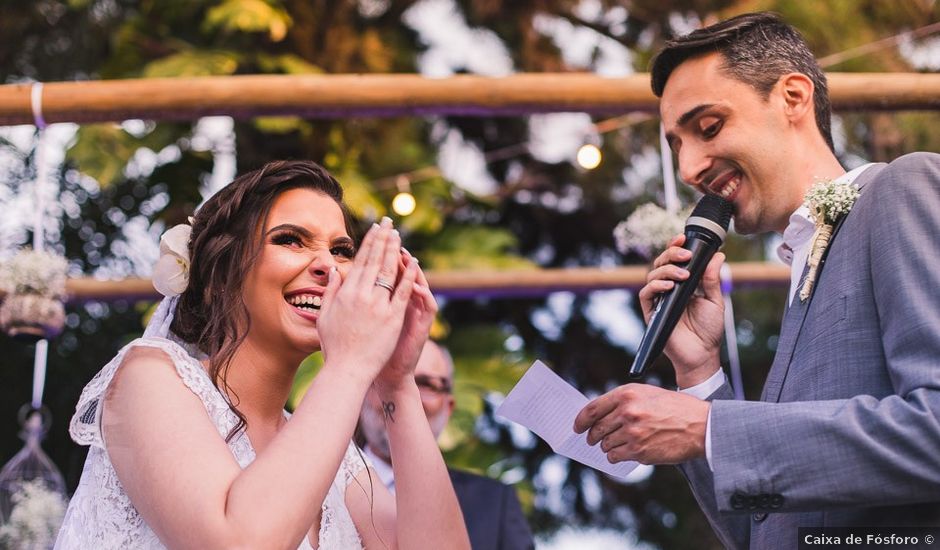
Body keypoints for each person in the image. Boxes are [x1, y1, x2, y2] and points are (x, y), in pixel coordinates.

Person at [573, 12, 940, 549]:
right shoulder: (802, 268)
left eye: (709, 127)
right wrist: (698, 371)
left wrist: (706, 429)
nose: (689, 168)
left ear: (793, 97)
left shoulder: (902, 189)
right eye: (677, 145)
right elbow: (768, 532)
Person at [55, 160, 471, 549]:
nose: (327, 265)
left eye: (341, 250)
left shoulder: (333, 455)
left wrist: (396, 380)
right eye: (291, 240)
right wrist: (349, 363)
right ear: (220, 275)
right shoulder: (148, 376)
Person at [359, 340, 535, 550]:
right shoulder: (324, 485)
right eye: (389, 379)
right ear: (363, 394)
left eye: (425, 384)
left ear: (449, 407)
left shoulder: (494, 503)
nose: (408, 398)